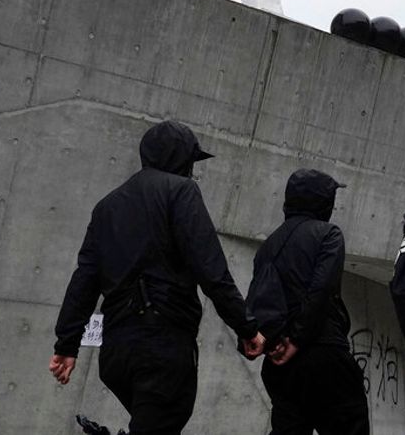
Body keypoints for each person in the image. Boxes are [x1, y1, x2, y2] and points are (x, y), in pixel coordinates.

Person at [49, 120, 265, 435]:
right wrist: (247, 328)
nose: (192, 170)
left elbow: (83, 281)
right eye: (191, 162)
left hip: (116, 354)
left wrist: (66, 346)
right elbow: (211, 270)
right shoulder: (181, 191)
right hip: (162, 346)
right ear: (181, 159)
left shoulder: (107, 206)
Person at [246, 169, 370, 435]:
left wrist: (273, 341)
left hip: (279, 363)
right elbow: (321, 290)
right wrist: (298, 339)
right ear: (324, 203)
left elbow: (259, 297)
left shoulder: (269, 244)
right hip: (324, 352)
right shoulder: (328, 235)